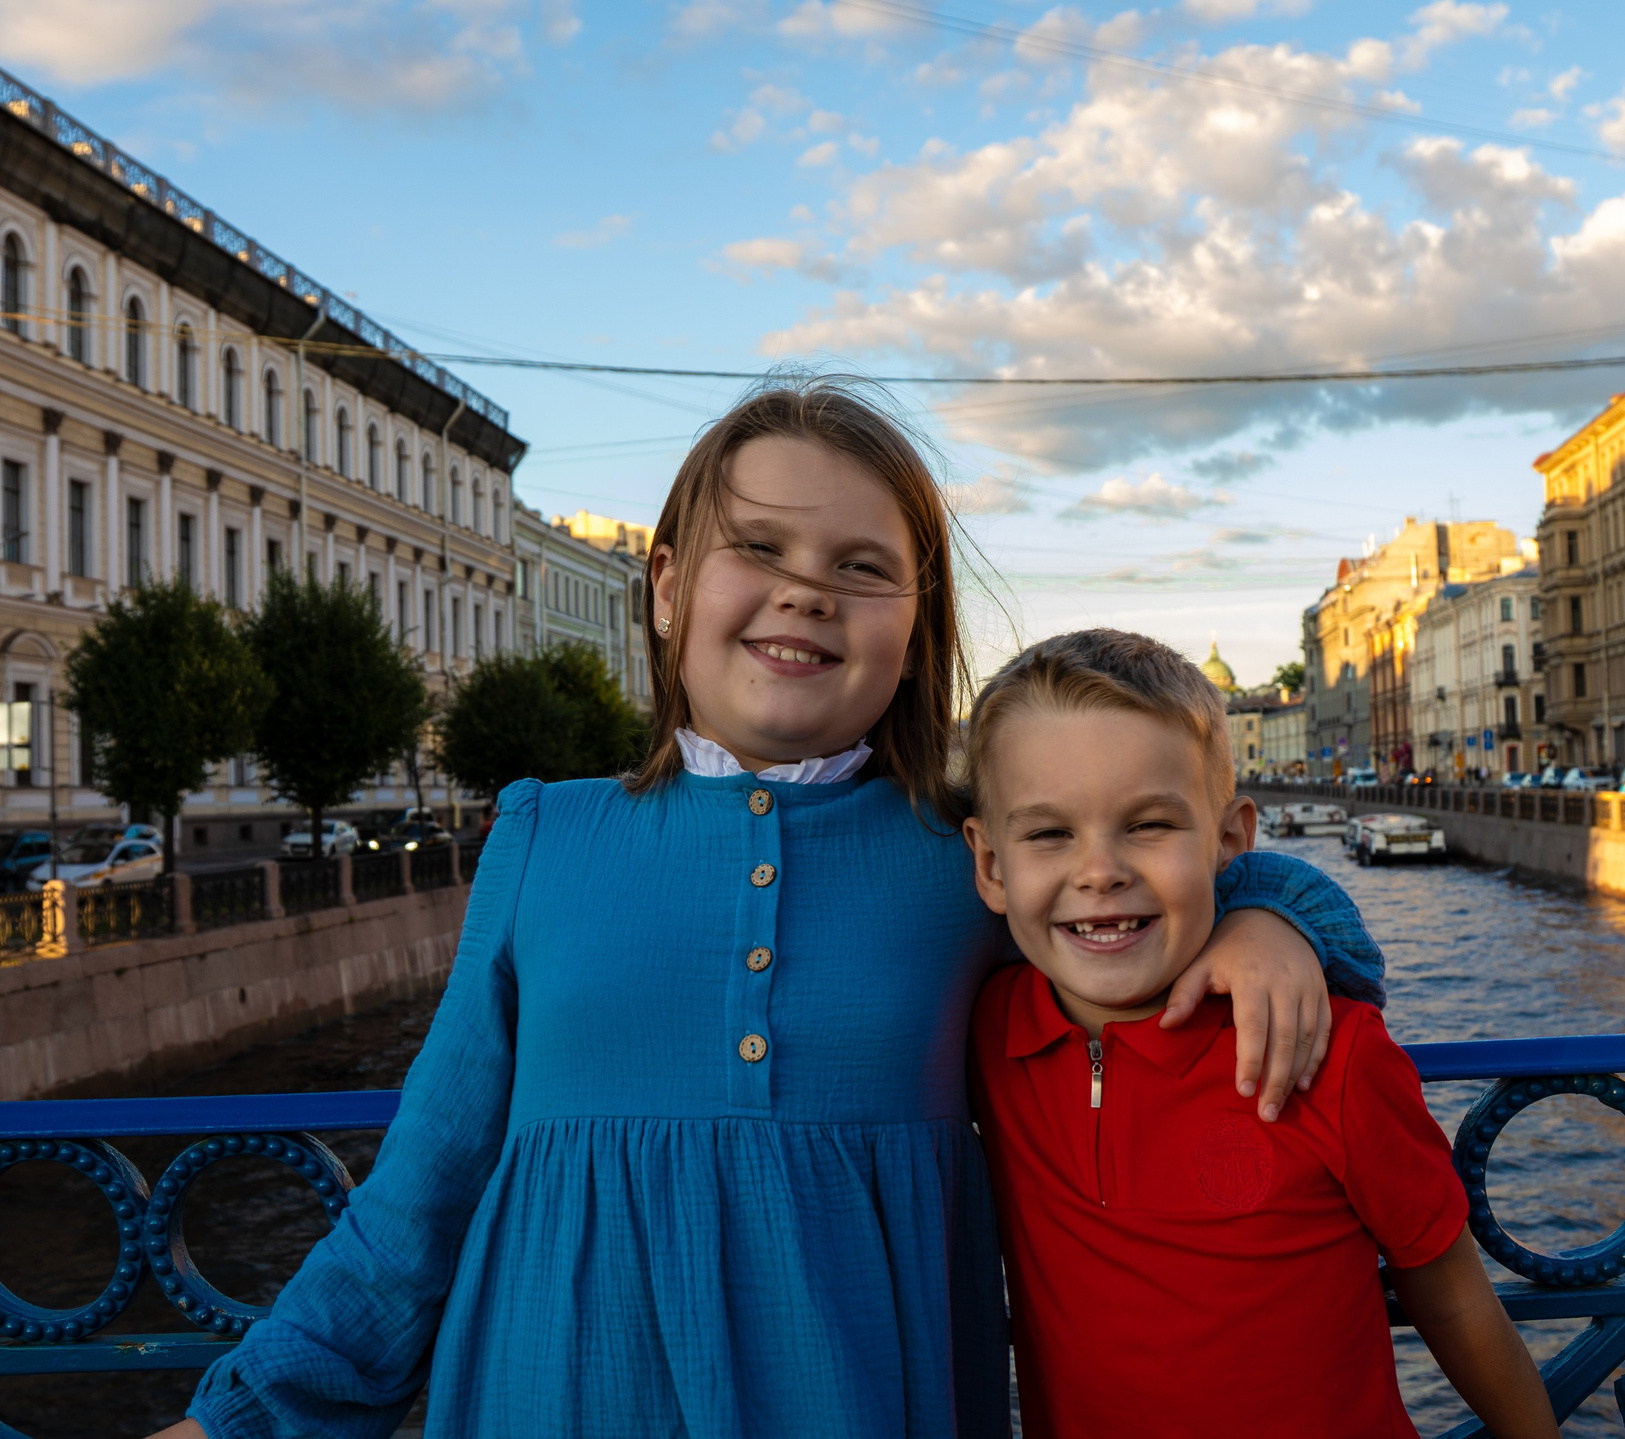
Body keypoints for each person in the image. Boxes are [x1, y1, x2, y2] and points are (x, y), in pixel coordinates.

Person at [150, 380, 1382, 1439]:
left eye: (861, 567)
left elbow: (1175, 877)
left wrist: (1272, 915)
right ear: (672, 583)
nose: (807, 593)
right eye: (761, 550)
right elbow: (424, 1184)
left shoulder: (964, 858)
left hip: (853, 1393)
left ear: (915, 627)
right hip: (554, 1388)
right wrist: (244, 1412)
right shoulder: (543, 832)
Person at [960, 630, 1559, 1439]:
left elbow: (1453, 1299)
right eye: (1048, 834)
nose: (1098, 870)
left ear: (1232, 840)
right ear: (991, 866)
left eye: (1147, 825)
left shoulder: (1330, 1052)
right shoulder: (987, 1035)